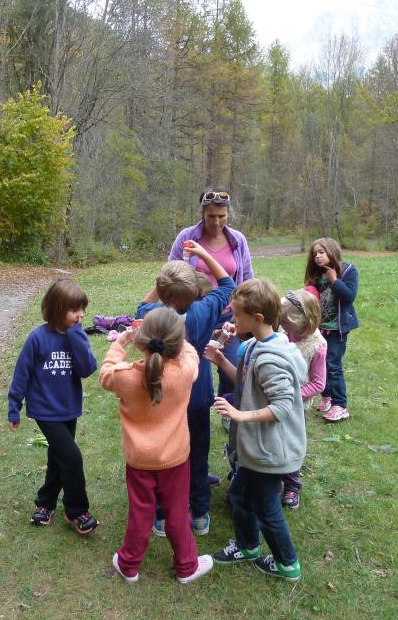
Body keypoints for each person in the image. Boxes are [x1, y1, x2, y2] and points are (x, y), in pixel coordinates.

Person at [99, 307, 214, 584]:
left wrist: (121, 341)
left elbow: (105, 373)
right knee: (176, 512)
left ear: (142, 341)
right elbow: (190, 354)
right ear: (176, 342)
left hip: (138, 460)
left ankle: (128, 565)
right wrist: (178, 338)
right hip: (175, 458)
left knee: (141, 513)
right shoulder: (185, 372)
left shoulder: (125, 376)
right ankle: (187, 566)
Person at [136, 242, 235, 536]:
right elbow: (228, 283)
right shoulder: (203, 312)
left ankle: (162, 516)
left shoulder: (153, 316)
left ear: (163, 293)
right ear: (195, 293)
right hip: (196, 393)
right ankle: (201, 513)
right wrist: (204, 254)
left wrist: (164, 280)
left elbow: (141, 306)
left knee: (166, 455)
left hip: (163, 396)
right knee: (198, 450)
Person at [212, 278, 306, 582]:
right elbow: (245, 383)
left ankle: (287, 564)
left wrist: (240, 415)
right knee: (239, 496)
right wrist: (221, 359)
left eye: (237, 315)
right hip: (256, 448)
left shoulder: (270, 359)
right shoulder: (253, 345)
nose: (232, 320)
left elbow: (281, 407)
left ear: (258, 318)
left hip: (270, 452)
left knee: (266, 509)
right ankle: (248, 546)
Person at [7, 279, 99, 534]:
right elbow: (21, 373)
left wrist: (77, 336)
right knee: (71, 457)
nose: (81, 315)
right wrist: (14, 406)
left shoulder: (76, 335)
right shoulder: (37, 337)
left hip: (68, 408)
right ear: (57, 308)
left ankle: (45, 503)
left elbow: (87, 369)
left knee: (59, 457)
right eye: (74, 310)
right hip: (44, 410)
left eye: (83, 309)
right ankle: (77, 511)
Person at [168, 187, 254, 397]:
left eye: (221, 216)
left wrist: (242, 315)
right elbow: (171, 275)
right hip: (195, 315)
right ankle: (188, 411)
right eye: (211, 217)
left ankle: (229, 407)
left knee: (231, 368)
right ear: (202, 214)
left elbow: (247, 280)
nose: (216, 222)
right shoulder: (187, 237)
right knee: (191, 367)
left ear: (228, 214)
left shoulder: (237, 240)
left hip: (228, 317)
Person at [278, 288, 327, 509]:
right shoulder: (281, 331)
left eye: (286, 324)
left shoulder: (316, 346)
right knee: (274, 440)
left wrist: (292, 395)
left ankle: (292, 484)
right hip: (274, 399)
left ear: (303, 322)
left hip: (296, 406)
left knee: (291, 444)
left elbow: (318, 383)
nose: (284, 328)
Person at [304, 238, 359, 422]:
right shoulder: (317, 275)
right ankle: (326, 397)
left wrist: (335, 281)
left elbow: (349, 296)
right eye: (315, 254)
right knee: (318, 363)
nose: (318, 257)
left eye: (321, 252)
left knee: (333, 366)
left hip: (338, 330)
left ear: (332, 251)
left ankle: (340, 405)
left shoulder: (349, 270)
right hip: (320, 329)